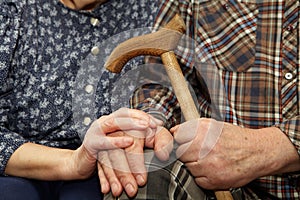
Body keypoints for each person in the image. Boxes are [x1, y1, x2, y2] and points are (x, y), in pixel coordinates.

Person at [98, 0, 300, 199]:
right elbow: (159, 83)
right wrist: (149, 122)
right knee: (142, 170)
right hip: (222, 184)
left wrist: (273, 147)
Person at [0, 0, 173, 199]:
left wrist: (145, 123)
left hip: (102, 164)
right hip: (17, 163)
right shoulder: (13, 10)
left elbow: (160, 90)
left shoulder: (154, 10)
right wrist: (72, 161)